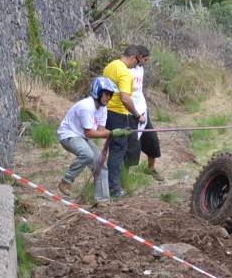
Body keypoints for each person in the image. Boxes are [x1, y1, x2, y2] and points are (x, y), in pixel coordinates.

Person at [57, 76, 131, 204]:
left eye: (111, 95)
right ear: (98, 91)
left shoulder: (103, 109)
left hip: (82, 137)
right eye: (106, 94)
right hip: (69, 135)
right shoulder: (87, 106)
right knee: (87, 154)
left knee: (100, 164)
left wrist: (117, 132)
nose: (109, 98)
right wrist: (112, 133)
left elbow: (100, 130)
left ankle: (102, 202)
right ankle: (66, 181)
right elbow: (90, 133)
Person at [102, 45, 146, 198]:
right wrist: (137, 115)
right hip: (118, 114)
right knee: (118, 151)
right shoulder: (125, 74)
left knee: (112, 149)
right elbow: (125, 99)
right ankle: (114, 189)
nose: (136, 66)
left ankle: (108, 183)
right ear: (133, 57)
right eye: (137, 62)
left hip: (106, 112)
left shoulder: (110, 66)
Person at [124, 45, 163, 181]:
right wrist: (135, 114)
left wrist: (143, 112)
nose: (147, 63)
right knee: (132, 145)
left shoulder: (141, 69)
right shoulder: (125, 71)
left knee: (152, 139)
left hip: (143, 110)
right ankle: (124, 177)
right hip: (131, 112)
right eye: (145, 60)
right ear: (138, 57)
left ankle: (150, 169)